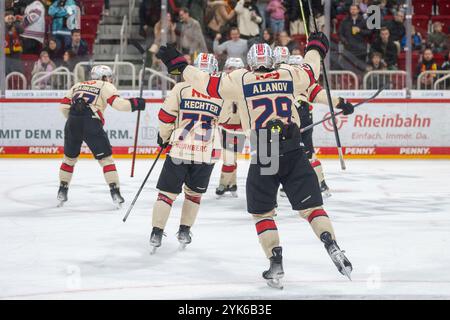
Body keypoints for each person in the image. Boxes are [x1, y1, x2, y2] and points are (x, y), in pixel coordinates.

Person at [157, 32, 354, 288]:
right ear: (272, 60)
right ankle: (331, 243)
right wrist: (316, 46)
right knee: (312, 209)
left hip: (265, 150)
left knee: (263, 213)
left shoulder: (240, 79)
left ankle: (275, 260)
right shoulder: (288, 73)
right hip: (293, 148)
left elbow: (204, 82)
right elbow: (312, 68)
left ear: (250, 62)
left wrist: (180, 65)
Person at [149, 53, 227, 253]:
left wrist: (164, 137)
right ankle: (184, 230)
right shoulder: (220, 93)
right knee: (193, 195)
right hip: (206, 153)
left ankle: (156, 232)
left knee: (166, 194)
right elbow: (225, 119)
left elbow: (166, 116)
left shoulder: (181, 88)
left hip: (180, 149)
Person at [56, 65, 146, 207]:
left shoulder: (77, 85)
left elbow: (63, 107)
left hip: (72, 121)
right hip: (91, 121)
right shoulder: (105, 86)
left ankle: (62, 189)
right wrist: (136, 103)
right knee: (106, 160)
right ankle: (115, 192)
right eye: (109, 76)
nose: (110, 79)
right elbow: (119, 105)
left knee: (69, 159)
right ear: (103, 77)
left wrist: (74, 119)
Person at [216, 57, 246, 197]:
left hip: (239, 127)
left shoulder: (245, 85)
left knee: (230, 157)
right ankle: (231, 184)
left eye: (234, 69)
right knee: (230, 157)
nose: (231, 71)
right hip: (224, 125)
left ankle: (224, 183)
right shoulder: (221, 84)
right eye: (229, 68)